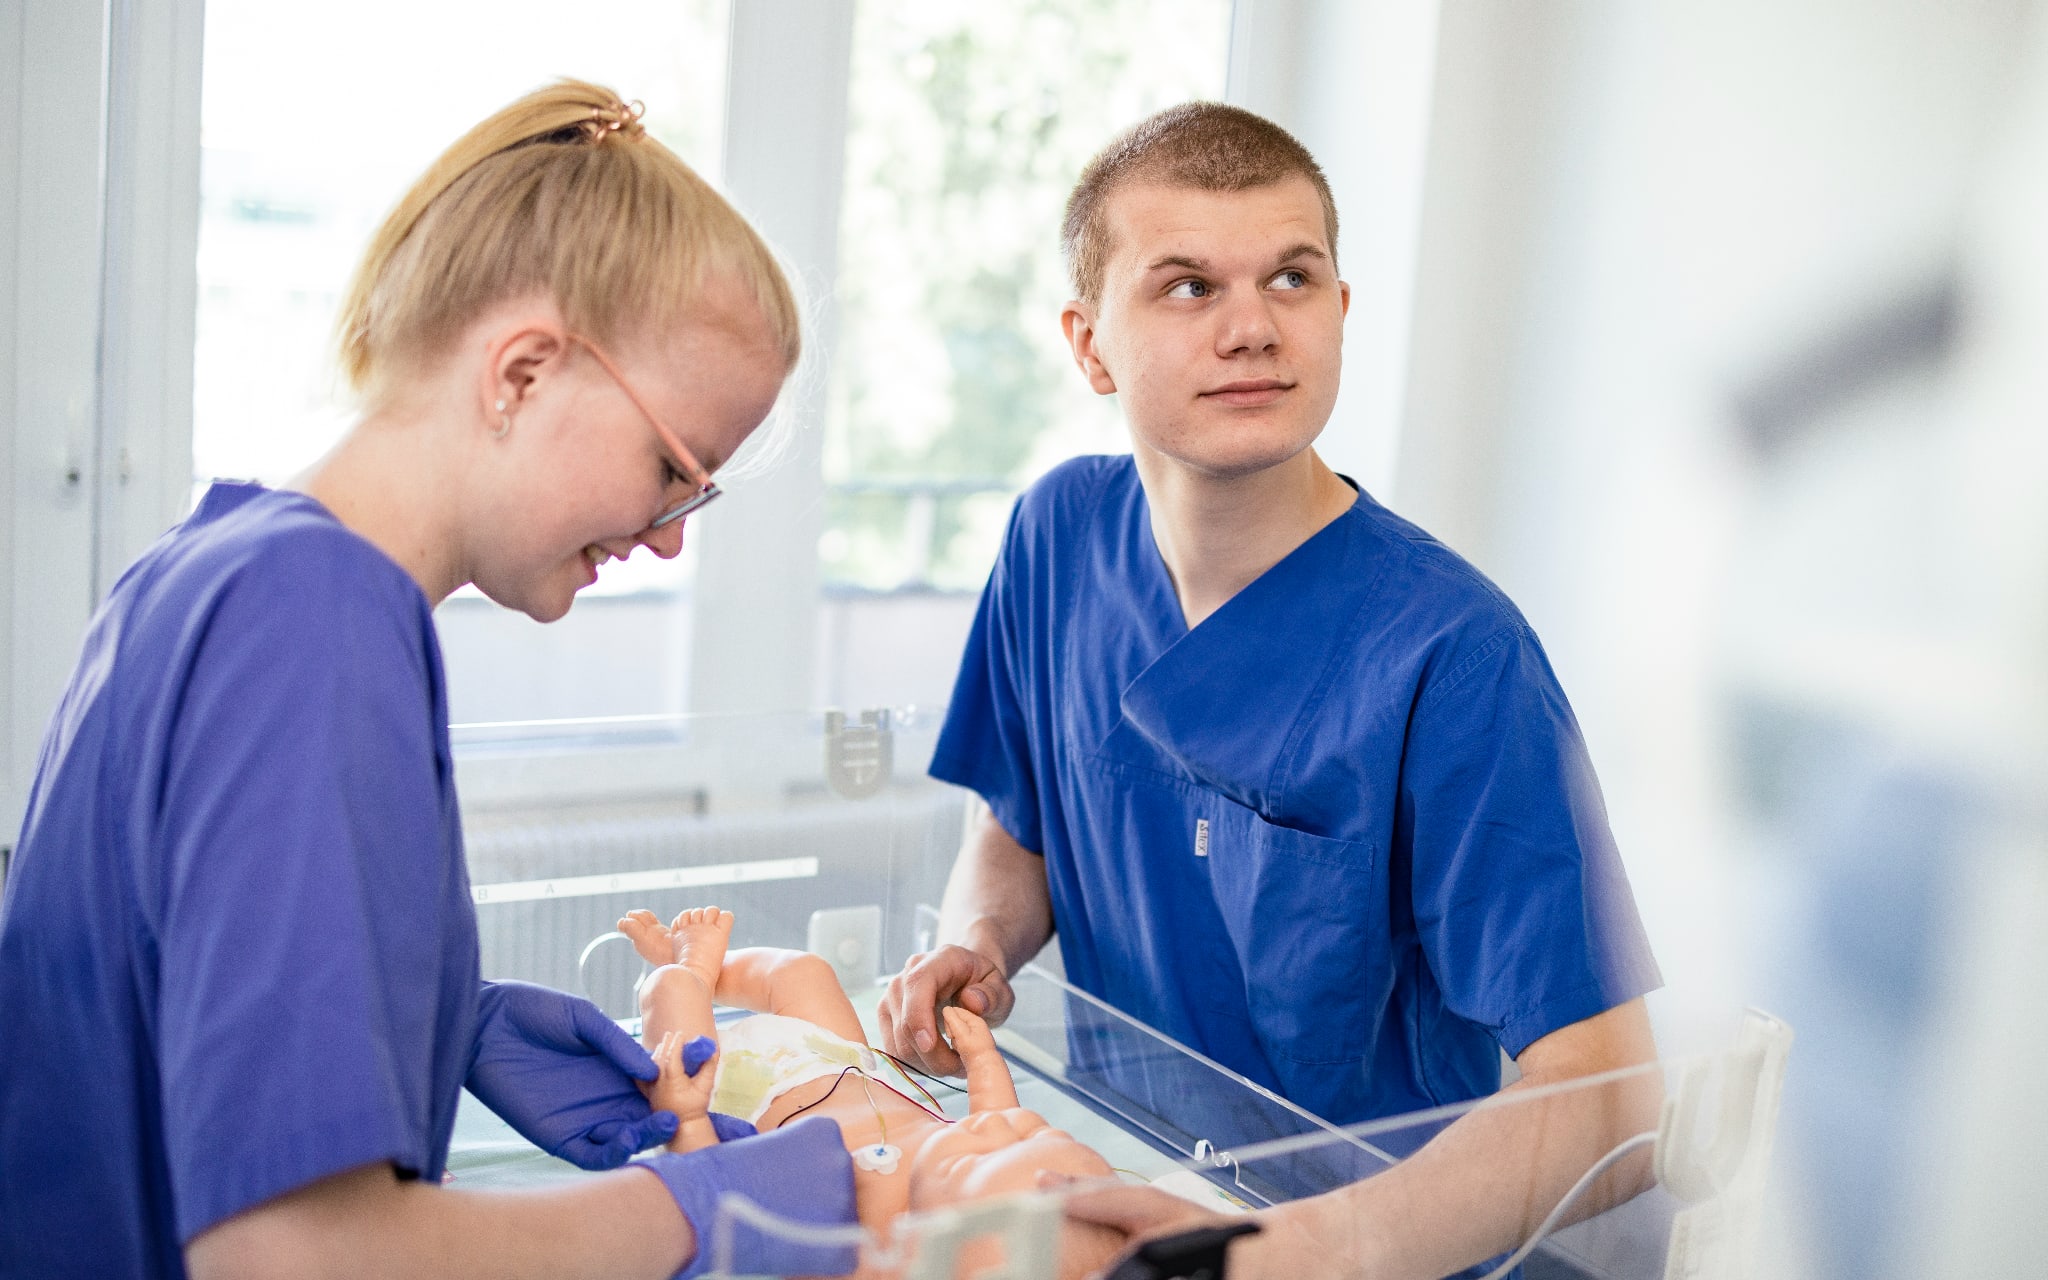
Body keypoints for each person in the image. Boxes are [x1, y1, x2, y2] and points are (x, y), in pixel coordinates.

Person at [0, 82, 858, 1279]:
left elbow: (143, 982)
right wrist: (706, 1205)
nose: (670, 535)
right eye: (674, 468)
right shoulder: (311, 617)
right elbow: (291, 1254)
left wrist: (447, 1024)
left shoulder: (211, 565)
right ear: (520, 372)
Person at [877, 103, 1666, 1278]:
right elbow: (1017, 825)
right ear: (1088, 343)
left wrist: (1276, 1251)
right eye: (1187, 286)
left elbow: (1610, 1095)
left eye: (1290, 278)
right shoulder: (1055, 536)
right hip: (1123, 1179)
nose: (1251, 327)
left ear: (1338, 314)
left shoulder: (1452, 651)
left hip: (1359, 1244)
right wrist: (978, 941)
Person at [619, 906, 1125, 1276]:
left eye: (971, 1161)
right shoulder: (988, 1154)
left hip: (732, 1092)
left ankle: (689, 971)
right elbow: (992, 1118)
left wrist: (686, 1123)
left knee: (673, 997)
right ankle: (714, 975)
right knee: (805, 973)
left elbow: (726, 1204)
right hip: (848, 1062)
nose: (996, 1124)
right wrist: (983, 1063)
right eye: (1032, 1135)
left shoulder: (864, 1243)